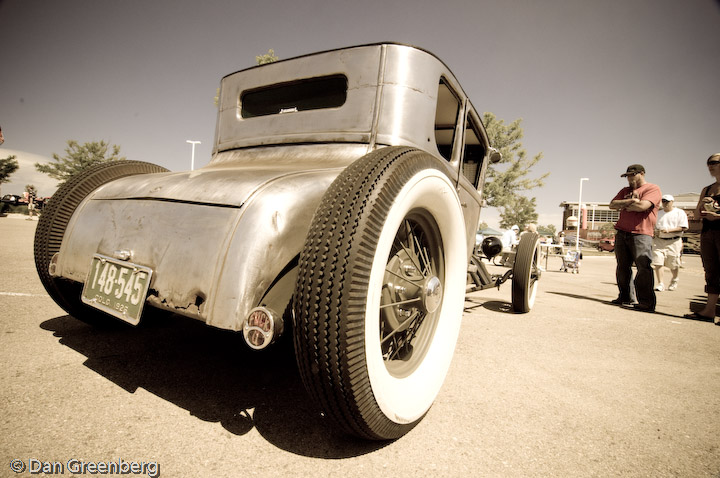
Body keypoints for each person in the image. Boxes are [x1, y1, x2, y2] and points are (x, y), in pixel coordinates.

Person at [609, 164, 662, 312]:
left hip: (641, 233)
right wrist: (630, 202)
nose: (630, 179)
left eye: (633, 175)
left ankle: (646, 302)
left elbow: (643, 206)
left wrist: (627, 205)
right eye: (627, 176)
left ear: (642, 173)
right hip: (622, 232)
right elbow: (612, 204)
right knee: (622, 267)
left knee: (643, 267)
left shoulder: (652, 188)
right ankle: (625, 296)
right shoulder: (625, 191)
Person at [685, 153, 720, 324]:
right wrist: (702, 205)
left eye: (714, 162)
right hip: (708, 233)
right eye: (708, 163)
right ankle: (709, 310)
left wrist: (717, 215)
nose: (710, 166)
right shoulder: (707, 189)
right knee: (711, 271)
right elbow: (698, 215)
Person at [652, 194, 688, 291]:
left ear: (672, 202)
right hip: (659, 240)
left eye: (667, 201)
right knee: (658, 261)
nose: (665, 203)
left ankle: (674, 279)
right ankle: (660, 283)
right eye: (663, 201)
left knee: (673, 263)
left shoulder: (679, 212)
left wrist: (669, 230)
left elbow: (683, 227)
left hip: (673, 241)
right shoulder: (658, 213)